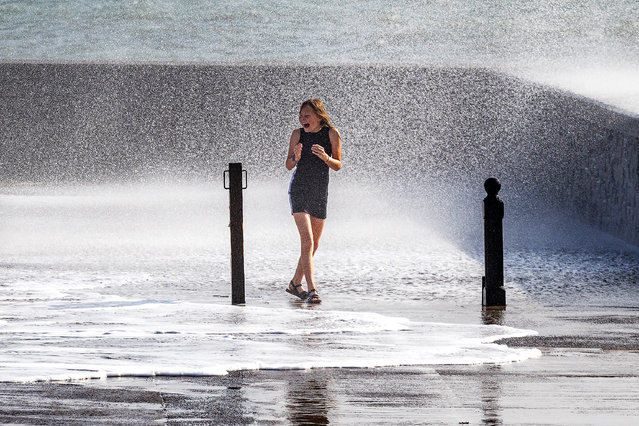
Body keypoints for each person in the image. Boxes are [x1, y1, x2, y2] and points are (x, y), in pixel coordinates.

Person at [285, 99, 342, 304]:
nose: (303, 119)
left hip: (319, 192)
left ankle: (294, 283)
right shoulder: (297, 134)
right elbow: (288, 165)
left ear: (319, 116)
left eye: (307, 116)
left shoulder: (331, 134)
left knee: (314, 244)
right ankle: (312, 290)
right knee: (307, 240)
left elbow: (338, 165)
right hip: (299, 190)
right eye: (301, 116)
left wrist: (326, 158)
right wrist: (296, 156)